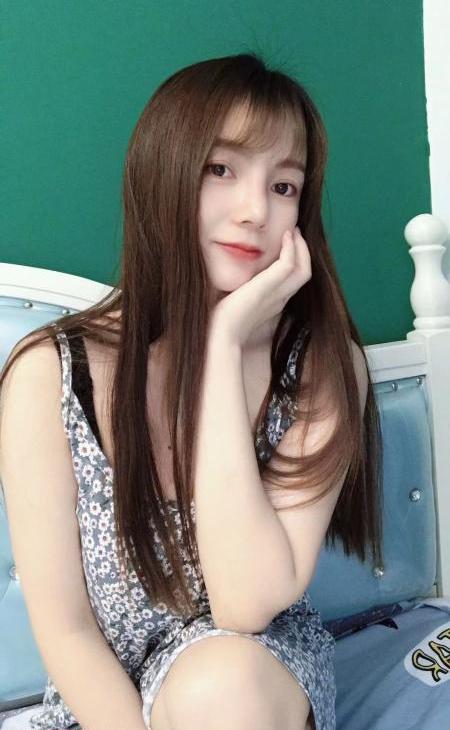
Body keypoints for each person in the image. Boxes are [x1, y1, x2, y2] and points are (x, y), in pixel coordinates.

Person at [0, 52, 383, 730]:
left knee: (222, 685)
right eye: (221, 169)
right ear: (163, 173)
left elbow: (244, 604)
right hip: (106, 705)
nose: (255, 211)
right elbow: (66, 629)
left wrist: (224, 344)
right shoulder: (50, 374)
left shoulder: (322, 367)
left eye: (284, 186)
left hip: (257, 679)